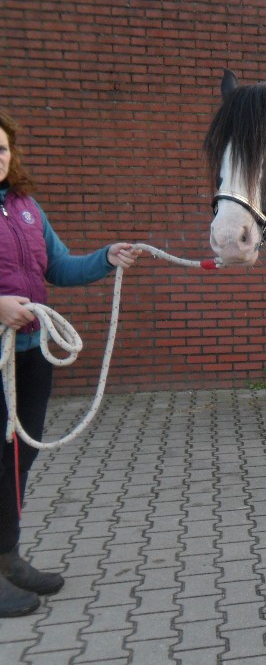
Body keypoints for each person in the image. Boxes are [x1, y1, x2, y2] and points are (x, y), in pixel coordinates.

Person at [0, 108, 142, 617]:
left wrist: (106, 257)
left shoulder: (27, 208)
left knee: (18, 459)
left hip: (31, 355)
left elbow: (58, 267)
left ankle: (8, 557)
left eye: (1, 148)